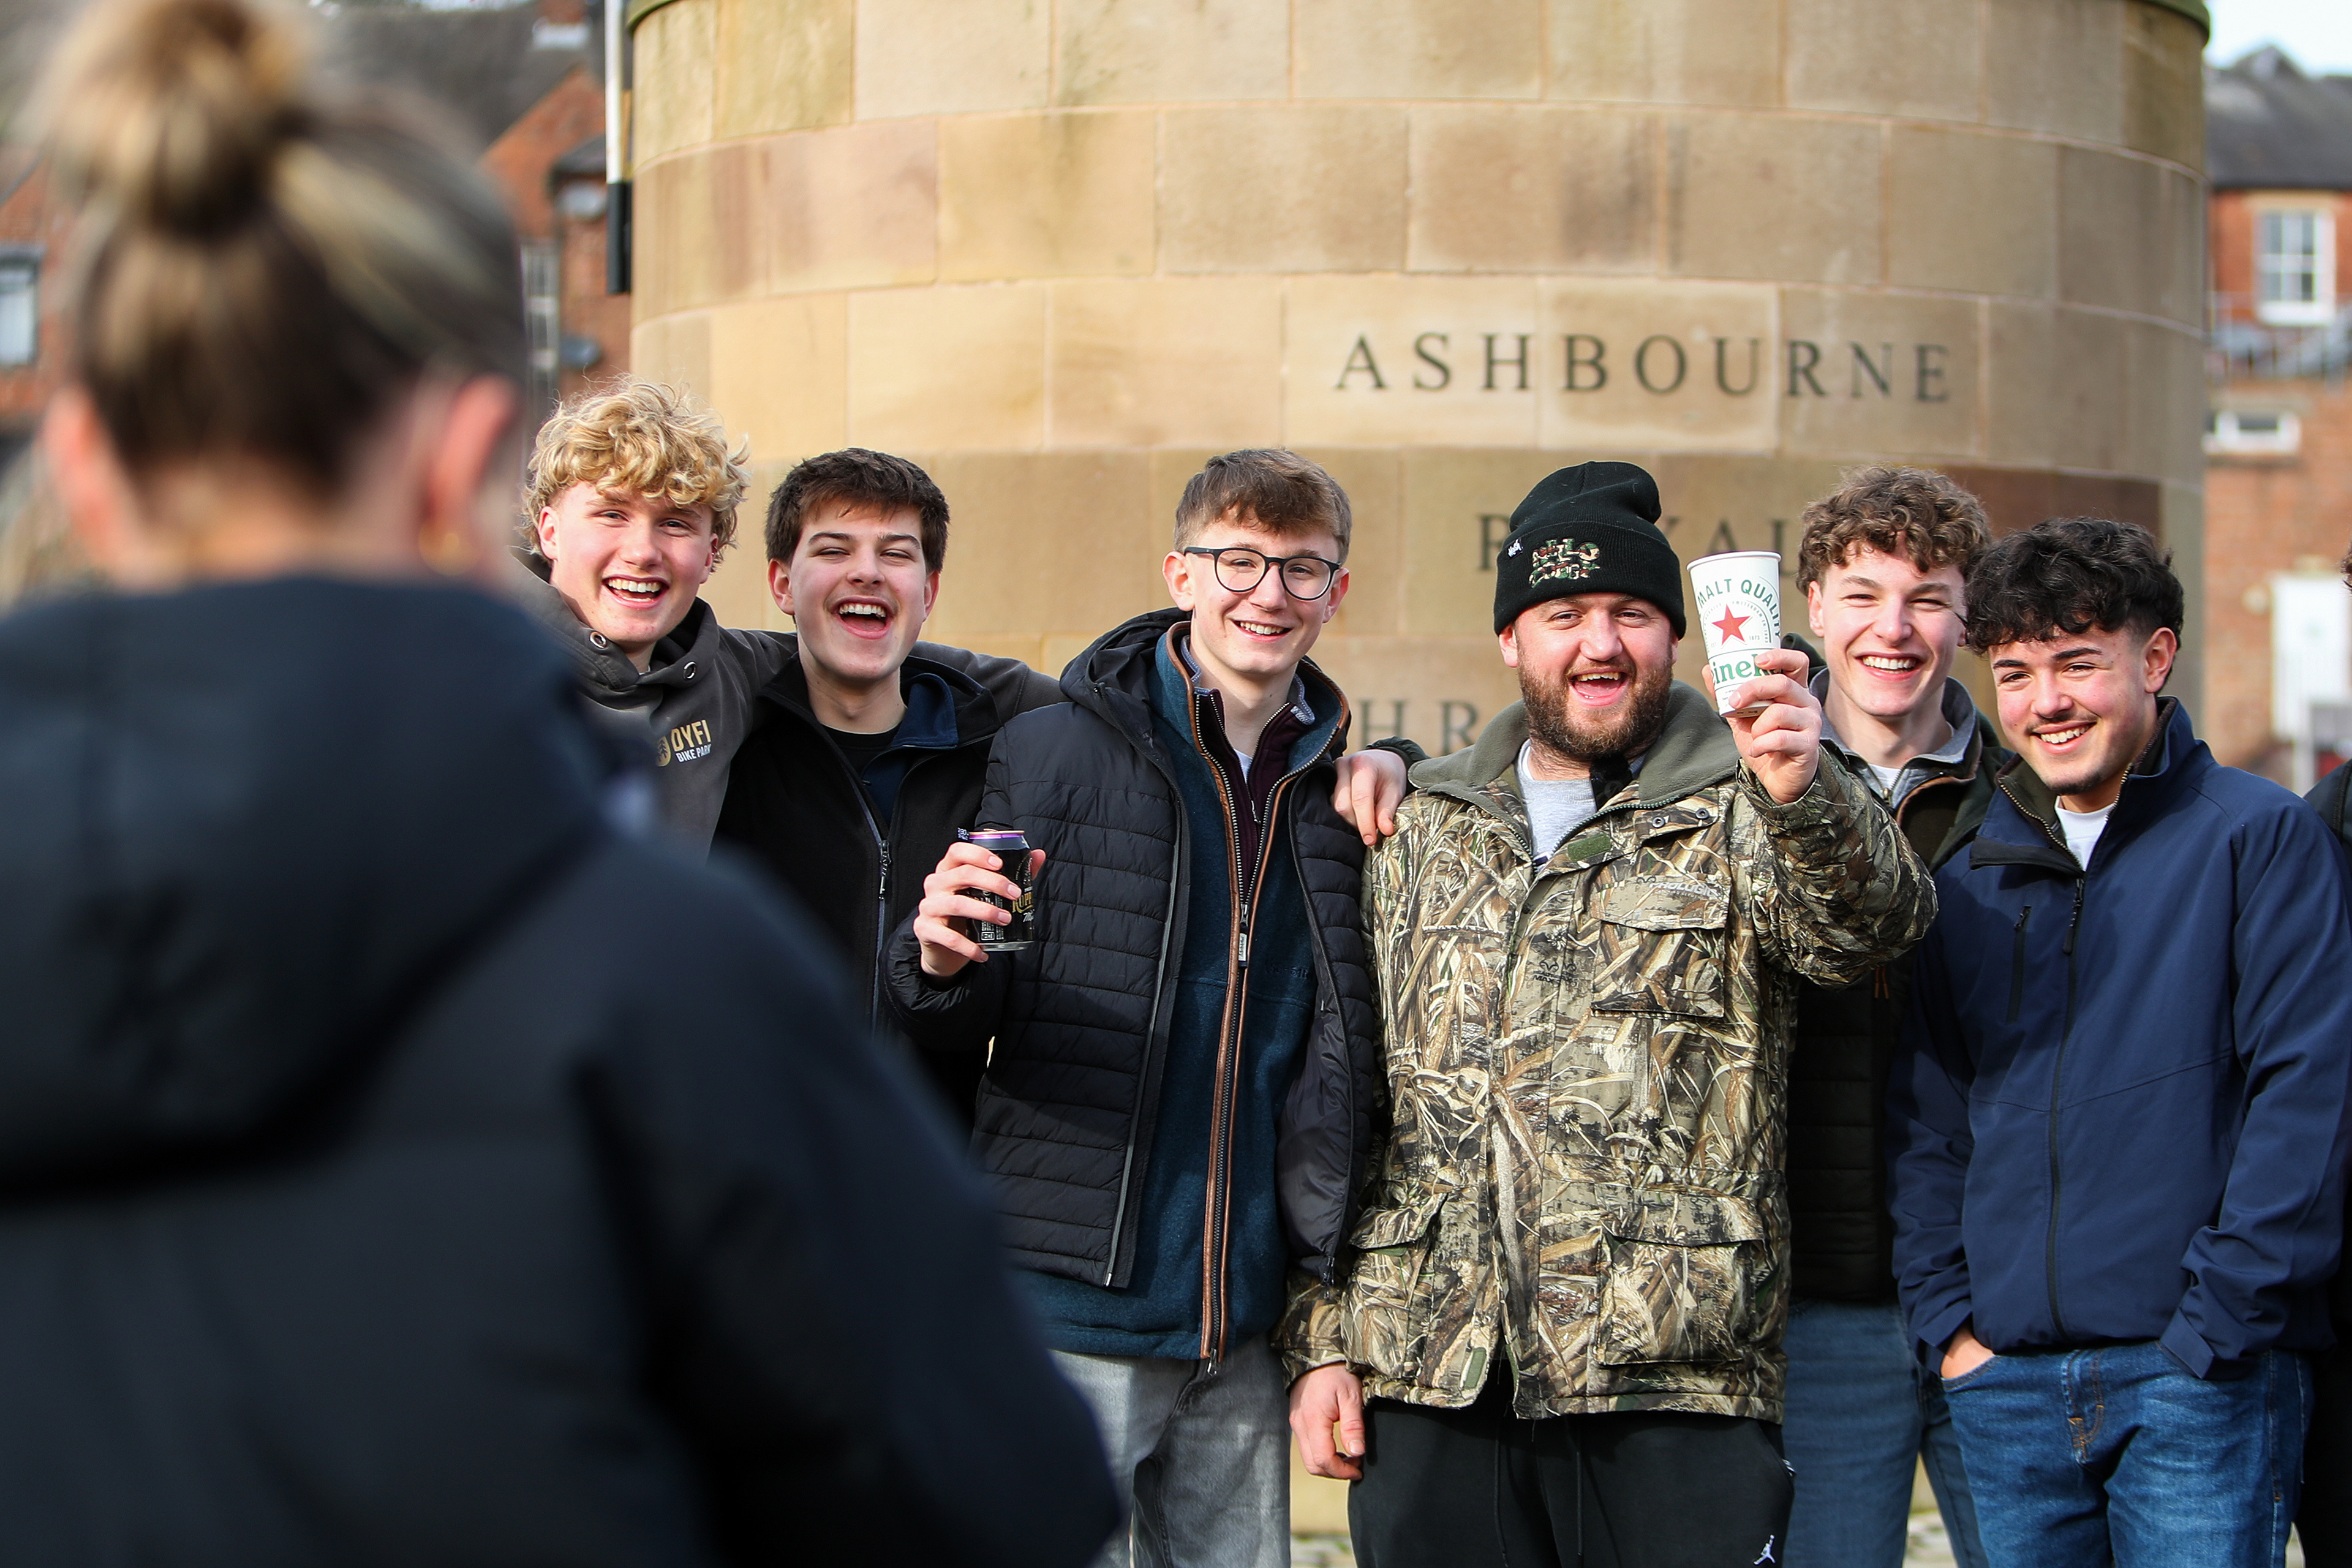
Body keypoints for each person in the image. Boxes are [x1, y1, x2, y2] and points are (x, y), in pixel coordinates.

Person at [0, 1, 1117, 1563]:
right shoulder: (667, 987)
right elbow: (1009, 1486)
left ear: (89, 459)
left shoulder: (699, 817)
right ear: (478, 470)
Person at [1282, 460, 1936, 1568]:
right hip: (1435, 1373)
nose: (1599, 645)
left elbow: (1866, 932)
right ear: (1510, 640)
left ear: (1675, 637)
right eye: (1562, 615)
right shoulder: (1419, 822)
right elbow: (1342, 1101)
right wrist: (1321, 1343)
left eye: (1631, 613)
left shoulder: (1750, 800)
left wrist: (1805, 784)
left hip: (1673, 1372)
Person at [886, 450, 1401, 1567]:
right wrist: (932, 960)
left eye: (1304, 570)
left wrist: (1394, 762)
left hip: (1247, 1326)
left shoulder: (1340, 793)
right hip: (1073, 1314)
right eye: (1239, 562)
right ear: (1181, 573)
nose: (1269, 593)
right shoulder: (1050, 750)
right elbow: (959, 1004)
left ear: (1337, 594)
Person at [1889, 517, 2352, 1568]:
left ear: (2154, 658)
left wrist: (2219, 1329)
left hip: (2199, 1380)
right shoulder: (1964, 881)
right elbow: (1927, 1118)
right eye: (2015, 673)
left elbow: (2307, 1096)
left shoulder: (2261, 840)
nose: (2045, 702)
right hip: (2005, 1386)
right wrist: (1953, 1329)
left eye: (2078, 664)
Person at [517, 383, 1049, 849]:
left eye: (676, 524)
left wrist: (1109, 683)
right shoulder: (468, 669)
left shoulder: (726, 673)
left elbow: (922, 668)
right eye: (612, 514)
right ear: (549, 531)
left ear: (710, 553)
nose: (642, 551)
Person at [1779, 469, 1995, 1568]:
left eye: (1929, 597)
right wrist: (1387, 762)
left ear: (1970, 617)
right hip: (1815, 1305)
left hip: (1999, 1303)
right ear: (1815, 605)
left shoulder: (2028, 798)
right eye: (1862, 594)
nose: (1893, 629)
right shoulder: (1740, 781)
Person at [713, 450, 1061, 1106]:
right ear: (782, 584)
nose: (867, 572)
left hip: (926, 1175)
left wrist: (1323, 748)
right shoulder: (728, 751)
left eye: (895, 553)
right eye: (835, 549)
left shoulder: (1002, 757)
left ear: (927, 592)